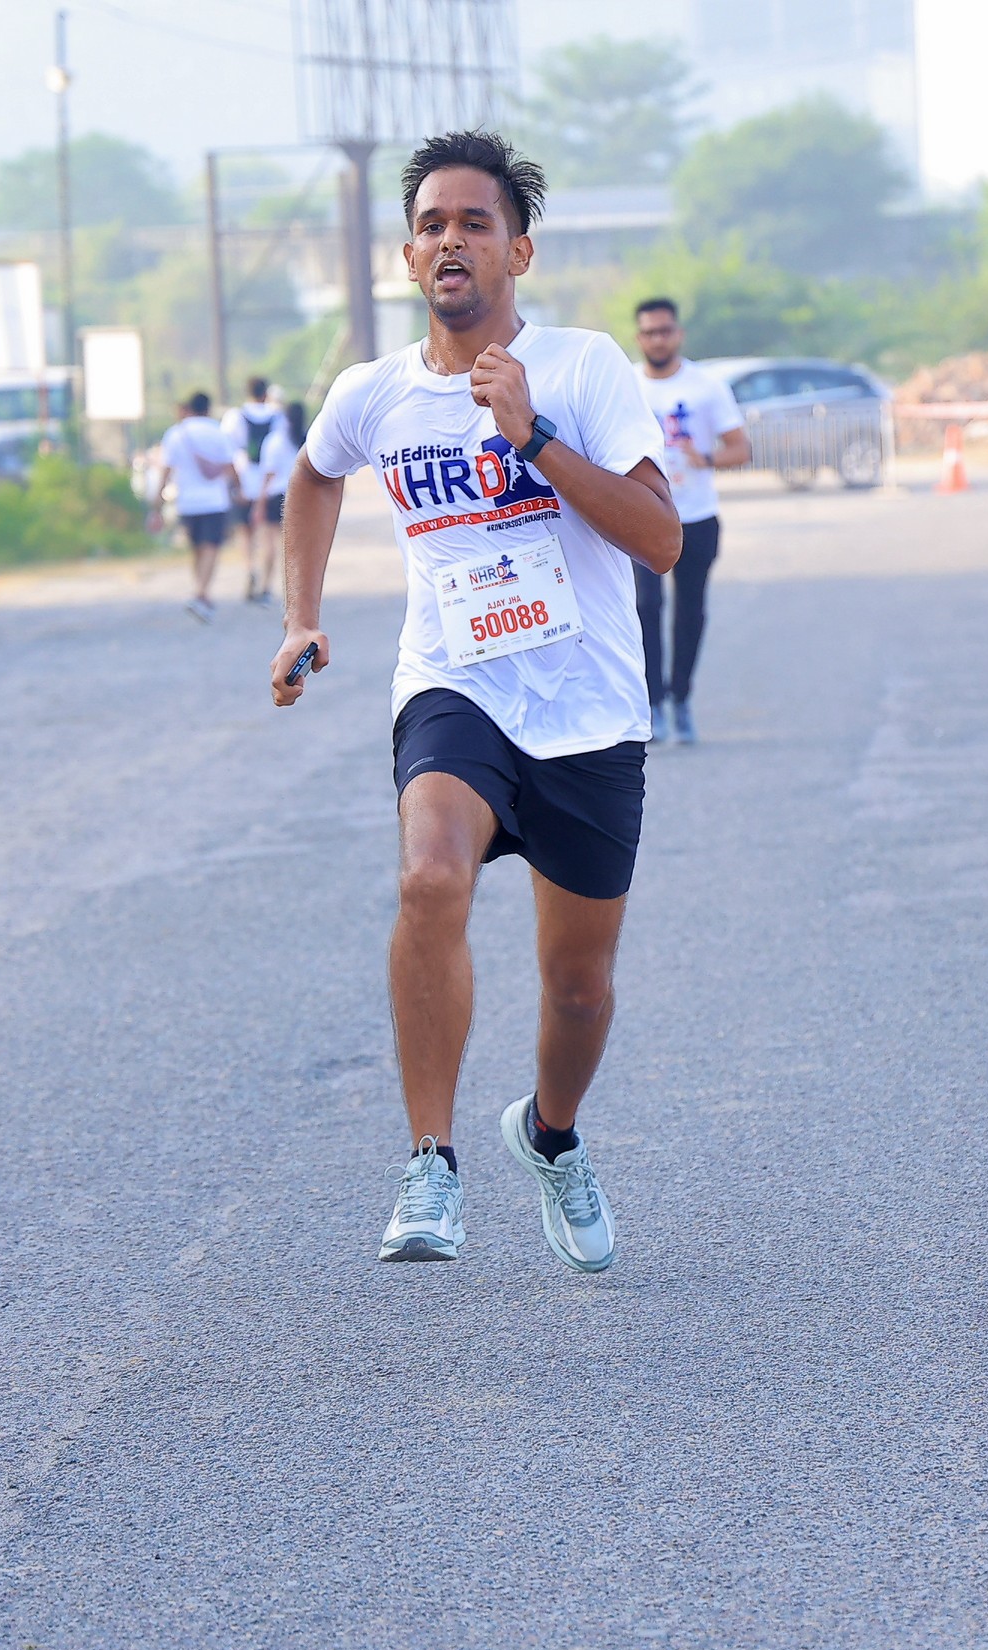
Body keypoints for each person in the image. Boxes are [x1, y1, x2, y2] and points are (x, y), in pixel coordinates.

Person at [268, 128, 677, 1272]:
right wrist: (300, 614)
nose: (451, 241)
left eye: (475, 223)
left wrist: (531, 435)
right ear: (408, 257)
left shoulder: (584, 369)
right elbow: (313, 474)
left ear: (519, 251)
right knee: (429, 878)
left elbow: (660, 540)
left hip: (588, 708)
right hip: (455, 684)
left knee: (579, 988)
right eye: (431, 226)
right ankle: (430, 1162)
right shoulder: (373, 393)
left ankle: (550, 1135)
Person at [629, 296, 749, 744]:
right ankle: (653, 704)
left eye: (665, 331)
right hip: (641, 516)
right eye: (650, 332)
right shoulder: (626, 384)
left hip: (695, 516)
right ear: (639, 338)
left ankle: (681, 698)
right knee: (644, 608)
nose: (658, 340)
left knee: (690, 612)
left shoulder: (705, 386)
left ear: (678, 334)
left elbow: (740, 447)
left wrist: (708, 458)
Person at [160, 392, 238, 621]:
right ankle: (201, 592)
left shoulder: (176, 433)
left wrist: (157, 499)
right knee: (211, 546)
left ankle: (200, 592)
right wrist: (239, 488)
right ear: (208, 408)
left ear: (189, 408)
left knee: (196, 547)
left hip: (187, 502)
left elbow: (166, 469)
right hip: (215, 500)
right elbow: (231, 466)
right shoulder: (218, 432)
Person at [222, 377, 297, 607]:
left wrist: (234, 484)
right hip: (272, 486)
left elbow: (227, 450)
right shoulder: (278, 418)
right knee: (271, 537)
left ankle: (249, 569)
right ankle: (267, 583)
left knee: (245, 533)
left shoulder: (235, 417)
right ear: (266, 393)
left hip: (246, 481)